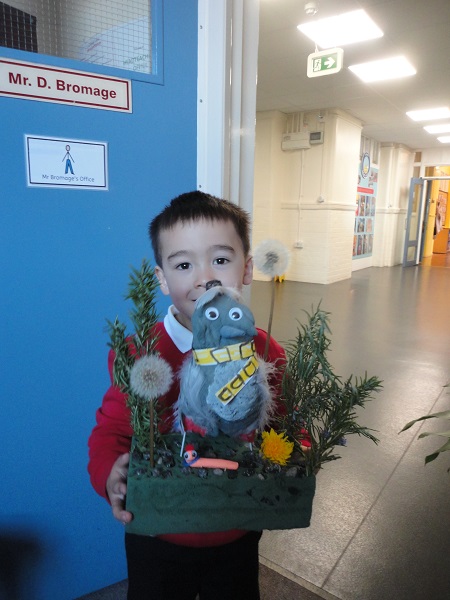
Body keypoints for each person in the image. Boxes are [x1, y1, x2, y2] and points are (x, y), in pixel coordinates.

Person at [88, 190, 286, 600]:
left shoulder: (266, 352)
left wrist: (295, 456)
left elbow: (283, 426)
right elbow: (111, 432)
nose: (204, 278)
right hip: (158, 534)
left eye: (220, 260)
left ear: (247, 268)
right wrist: (109, 473)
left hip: (236, 529)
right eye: (183, 265)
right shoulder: (138, 354)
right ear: (161, 279)